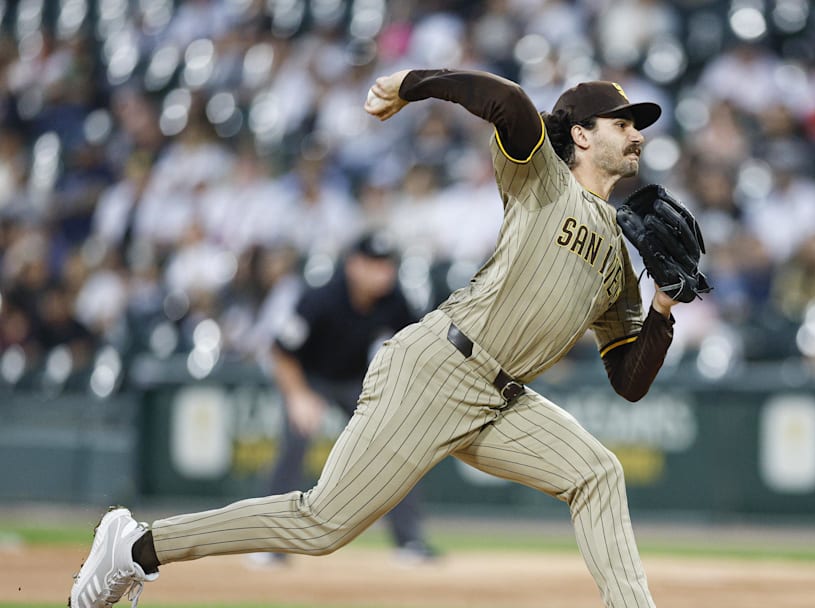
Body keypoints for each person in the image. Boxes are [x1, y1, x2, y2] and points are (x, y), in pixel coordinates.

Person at [70, 68, 685, 608]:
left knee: (597, 473)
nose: (637, 133)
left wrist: (661, 307)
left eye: (639, 125)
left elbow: (628, 382)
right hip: (441, 367)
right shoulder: (544, 180)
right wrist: (410, 84)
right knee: (321, 524)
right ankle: (137, 546)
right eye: (623, 122)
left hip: (503, 400)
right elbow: (509, 100)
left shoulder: (620, 261)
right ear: (581, 134)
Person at [253, 233, 436, 566]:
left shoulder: (394, 300)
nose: (383, 273)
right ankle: (271, 545)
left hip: (356, 381)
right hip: (309, 379)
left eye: (387, 265)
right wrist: (297, 397)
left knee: (392, 446)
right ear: (354, 266)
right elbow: (281, 351)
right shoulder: (322, 298)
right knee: (293, 448)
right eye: (375, 265)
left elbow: (417, 344)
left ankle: (409, 541)